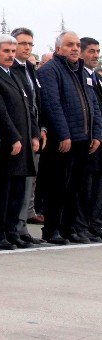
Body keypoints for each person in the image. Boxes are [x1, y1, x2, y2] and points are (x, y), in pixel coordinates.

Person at [38, 32, 102, 244]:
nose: (75, 48)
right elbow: (52, 105)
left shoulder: (80, 71)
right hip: (63, 141)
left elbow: (92, 104)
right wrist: (64, 135)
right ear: (58, 49)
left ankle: (70, 229)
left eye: (76, 45)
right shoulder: (50, 71)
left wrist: (96, 134)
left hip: (84, 139)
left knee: (77, 188)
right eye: (69, 45)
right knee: (58, 187)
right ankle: (52, 230)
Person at [0, 34, 40, 249]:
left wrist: (34, 134)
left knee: (17, 191)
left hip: (24, 141)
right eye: (6, 51)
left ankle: (12, 231)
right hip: (9, 144)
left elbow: (27, 106)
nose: (10, 55)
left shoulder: (15, 73)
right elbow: (1, 110)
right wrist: (14, 137)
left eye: (12, 52)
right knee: (3, 193)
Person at [10, 28, 47, 236]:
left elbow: (36, 103)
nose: (26, 47)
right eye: (22, 43)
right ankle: (14, 228)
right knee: (17, 186)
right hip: (18, 135)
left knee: (29, 185)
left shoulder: (30, 69)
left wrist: (41, 129)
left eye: (30, 44)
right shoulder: (11, 69)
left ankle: (21, 227)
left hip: (33, 134)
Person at [80, 37, 102, 240]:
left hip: (98, 139)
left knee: (97, 187)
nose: (95, 55)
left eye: (97, 51)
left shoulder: (95, 78)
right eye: (91, 51)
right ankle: (85, 224)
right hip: (87, 140)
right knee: (86, 186)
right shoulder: (81, 76)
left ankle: (95, 223)